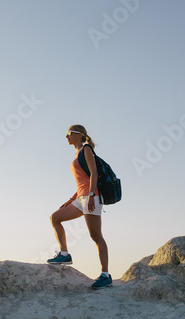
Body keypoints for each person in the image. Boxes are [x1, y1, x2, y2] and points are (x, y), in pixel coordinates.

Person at [47, 124, 112, 290]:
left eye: (69, 133)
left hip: (92, 197)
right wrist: (71, 199)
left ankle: (105, 275)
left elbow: (94, 174)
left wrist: (91, 195)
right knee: (55, 218)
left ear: (79, 135)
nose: (66, 136)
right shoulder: (76, 155)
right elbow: (81, 182)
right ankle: (64, 254)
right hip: (81, 197)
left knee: (96, 236)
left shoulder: (86, 150)